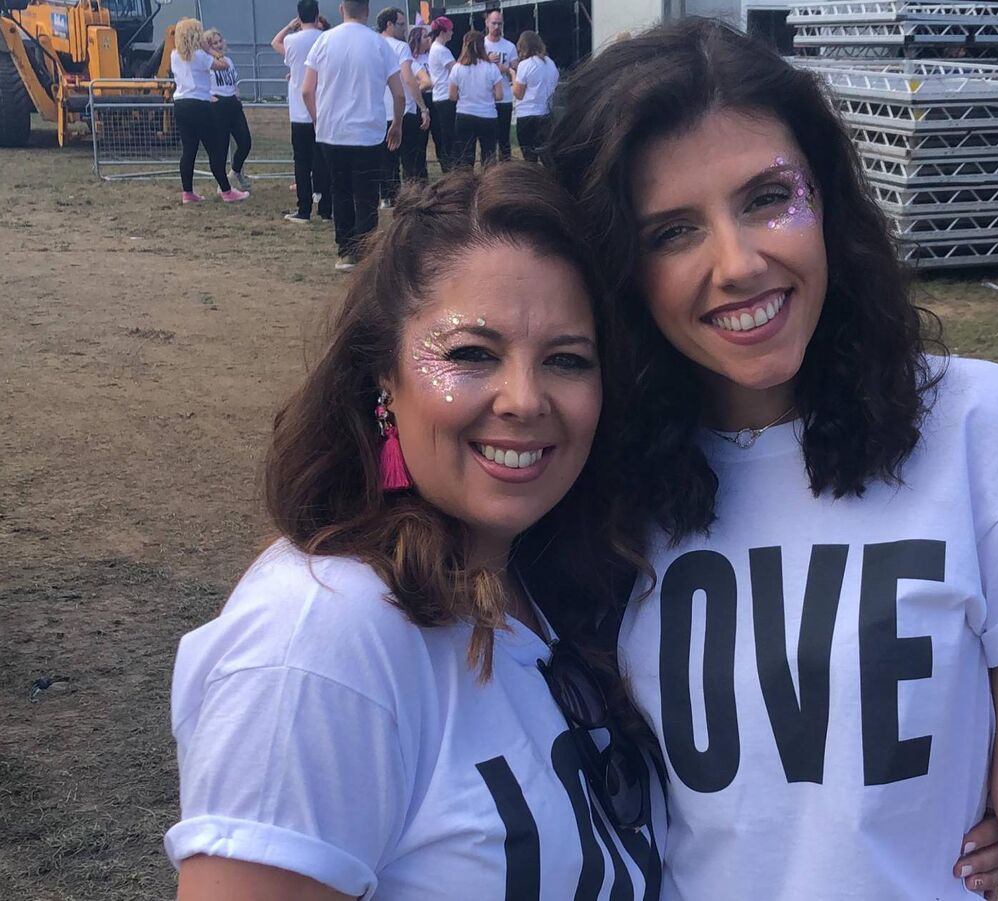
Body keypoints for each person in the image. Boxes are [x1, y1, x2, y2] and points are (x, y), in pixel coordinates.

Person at [544, 18, 998, 901]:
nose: (739, 263)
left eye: (768, 197)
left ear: (829, 197)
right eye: (672, 233)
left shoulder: (977, 425)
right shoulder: (592, 473)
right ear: (616, 266)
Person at [166, 163, 667, 899]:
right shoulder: (316, 642)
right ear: (382, 379)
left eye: (566, 359)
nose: (525, 400)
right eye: (472, 354)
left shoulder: (536, 587)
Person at [301, 0, 406, 272]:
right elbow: (398, 93)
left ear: (341, 9)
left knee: (341, 191)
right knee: (366, 193)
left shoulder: (324, 41)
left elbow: (306, 90)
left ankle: (345, 250)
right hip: (368, 131)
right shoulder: (380, 44)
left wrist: (317, 119)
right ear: (367, 11)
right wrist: (396, 124)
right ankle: (366, 250)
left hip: (332, 131)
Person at [170, 18, 248, 204]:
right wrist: (210, 50)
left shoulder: (174, 55)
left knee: (189, 150)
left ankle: (187, 192)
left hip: (181, 104)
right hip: (200, 104)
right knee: (215, 151)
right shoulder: (200, 56)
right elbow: (223, 64)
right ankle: (226, 190)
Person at [273, 0, 332, 224]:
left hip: (299, 111)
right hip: (323, 109)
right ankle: (326, 208)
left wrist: (290, 26)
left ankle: (304, 209)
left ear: (299, 16)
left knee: (302, 162)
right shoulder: (326, 39)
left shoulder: (292, 40)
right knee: (324, 160)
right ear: (317, 15)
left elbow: (275, 43)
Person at [376, 7, 429, 208]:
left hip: (380, 110)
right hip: (402, 109)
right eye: (400, 24)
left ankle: (387, 197)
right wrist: (422, 107)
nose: (404, 29)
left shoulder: (373, 45)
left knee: (386, 158)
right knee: (410, 158)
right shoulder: (399, 47)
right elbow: (408, 78)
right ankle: (412, 196)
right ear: (388, 24)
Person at [203, 28, 253, 193]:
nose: (218, 45)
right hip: (218, 105)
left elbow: (233, 81)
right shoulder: (206, 62)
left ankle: (235, 172)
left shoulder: (228, 61)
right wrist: (210, 97)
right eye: (214, 43)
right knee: (221, 148)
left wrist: (237, 96)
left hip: (233, 103)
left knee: (245, 142)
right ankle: (223, 184)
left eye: (219, 41)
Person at [449, 30, 503, 170]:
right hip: (487, 115)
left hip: (464, 114)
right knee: (489, 156)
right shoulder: (492, 68)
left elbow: (452, 96)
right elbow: (499, 96)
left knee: (465, 156)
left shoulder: (457, 68)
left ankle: (466, 185)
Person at [513, 31, 558, 165]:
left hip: (527, 115)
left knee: (529, 158)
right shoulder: (551, 63)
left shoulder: (525, 65)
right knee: (547, 156)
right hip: (545, 113)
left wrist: (512, 76)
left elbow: (518, 93)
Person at [483, 8, 517, 161]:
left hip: (504, 98)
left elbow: (516, 67)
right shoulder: (480, 45)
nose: (497, 27)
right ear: (487, 24)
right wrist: (487, 60)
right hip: (485, 99)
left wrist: (507, 68)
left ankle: (505, 169)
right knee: (488, 139)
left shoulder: (509, 46)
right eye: (494, 23)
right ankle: (489, 171)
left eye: (500, 24)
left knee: (504, 138)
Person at [404, 25, 434, 183]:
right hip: (419, 100)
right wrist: (414, 92)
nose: (429, 39)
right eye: (425, 37)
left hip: (433, 99)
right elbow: (422, 82)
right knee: (418, 143)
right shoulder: (411, 60)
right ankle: (418, 176)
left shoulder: (432, 55)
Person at [427, 16, 457, 173]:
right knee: (450, 135)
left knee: (445, 134)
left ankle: (447, 166)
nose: (452, 33)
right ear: (443, 32)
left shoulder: (434, 48)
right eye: (450, 30)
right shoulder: (442, 50)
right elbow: (456, 71)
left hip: (439, 96)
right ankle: (450, 168)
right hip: (446, 97)